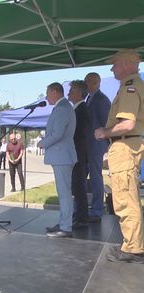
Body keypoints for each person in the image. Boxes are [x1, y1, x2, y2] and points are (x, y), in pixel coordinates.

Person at [94, 49, 144, 263]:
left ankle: (133, 249)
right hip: (125, 145)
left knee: (125, 198)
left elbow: (128, 123)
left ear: (126, 63)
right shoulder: (132, 85)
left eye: (115, 64)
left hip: (124, 146)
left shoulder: (129, 87)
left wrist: (104, 132)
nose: (112, 68)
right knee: (126, 196)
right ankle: (131, 244)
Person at [39, 82, 77, 238]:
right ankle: (64, 223)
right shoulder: (64, 107)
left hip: (62, 156)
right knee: (64, 192)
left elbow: (57, 134)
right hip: (63, 156)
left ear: (55, 92)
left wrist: (43, 143)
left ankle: (66, 227)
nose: (46, 97)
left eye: (48, 93)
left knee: (64, 193)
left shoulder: (62, 109)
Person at [84, 72, 111, 223]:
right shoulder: (90, 98)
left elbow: (107, 124)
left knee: (95, 178)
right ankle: (86, 209)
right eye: (85, 82)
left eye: (88, 82)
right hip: (88, 145)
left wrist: (105, 146)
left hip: (96, 145)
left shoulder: (101, 100)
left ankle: (97, 210)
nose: (86, 85)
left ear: (96, 83)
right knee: (84, 177)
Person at [68, 80, 91, 228]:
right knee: (77, 186)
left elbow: (79, 133)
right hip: (78, 152)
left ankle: (82, 218)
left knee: (79, 186)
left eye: (71, 90)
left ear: (78, 92)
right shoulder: (78, 109)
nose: (68, 93)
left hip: (79, 153)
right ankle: (79, 215)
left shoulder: (81, 109)